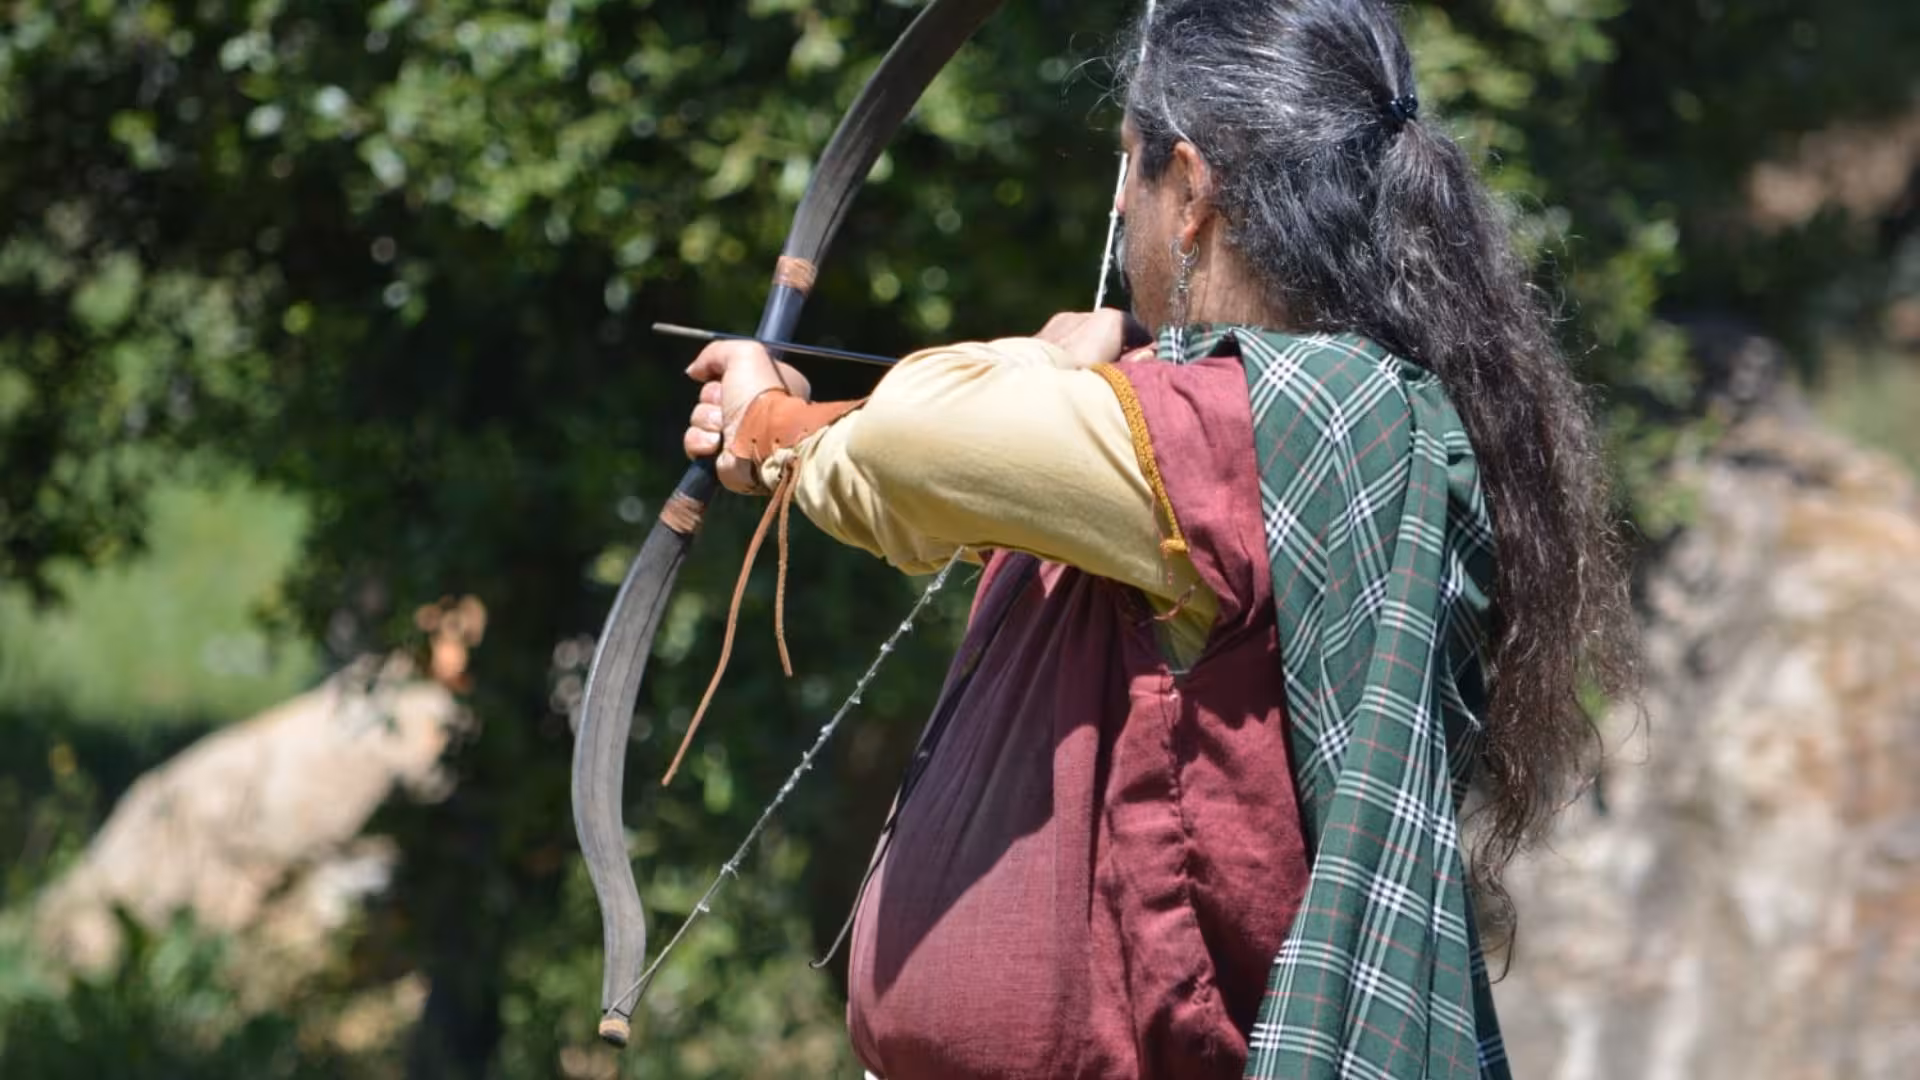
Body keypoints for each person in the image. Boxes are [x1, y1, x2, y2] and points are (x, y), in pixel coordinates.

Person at [678, 0, 1632, 1076]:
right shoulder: (1201, 431)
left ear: (1191, 192)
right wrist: (784, 428)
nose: (1121, 212)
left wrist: (1026, 367)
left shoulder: (1294, 416)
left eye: (1129, 173)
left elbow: (911, 439)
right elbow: (930, 466)